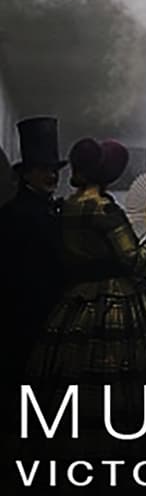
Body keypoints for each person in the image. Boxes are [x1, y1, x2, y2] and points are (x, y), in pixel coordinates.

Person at [27, 136, 146, 454]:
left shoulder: (66, 207)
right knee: (127, 387)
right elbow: (136, 262)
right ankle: (123, 464)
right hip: (118, 304)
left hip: (74, 305)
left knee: (71, 387)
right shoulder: (105, 210)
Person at [0, 117, 66, 427]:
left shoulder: (43, 211)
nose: (51, 175)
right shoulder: (18, 215)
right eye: (44, 169)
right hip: (27, 320)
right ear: (27, 174)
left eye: (54, 169)